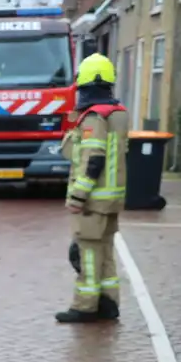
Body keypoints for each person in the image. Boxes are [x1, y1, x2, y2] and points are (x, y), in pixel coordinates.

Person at [56, 53, 127, 324]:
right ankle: (109, 303)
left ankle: (84, 306)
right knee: (106, 252)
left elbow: (92, 159)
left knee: (86, 253)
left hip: (93, 200)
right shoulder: (118, 115)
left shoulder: (94, 118)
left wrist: (78, 195)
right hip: (113, 197)